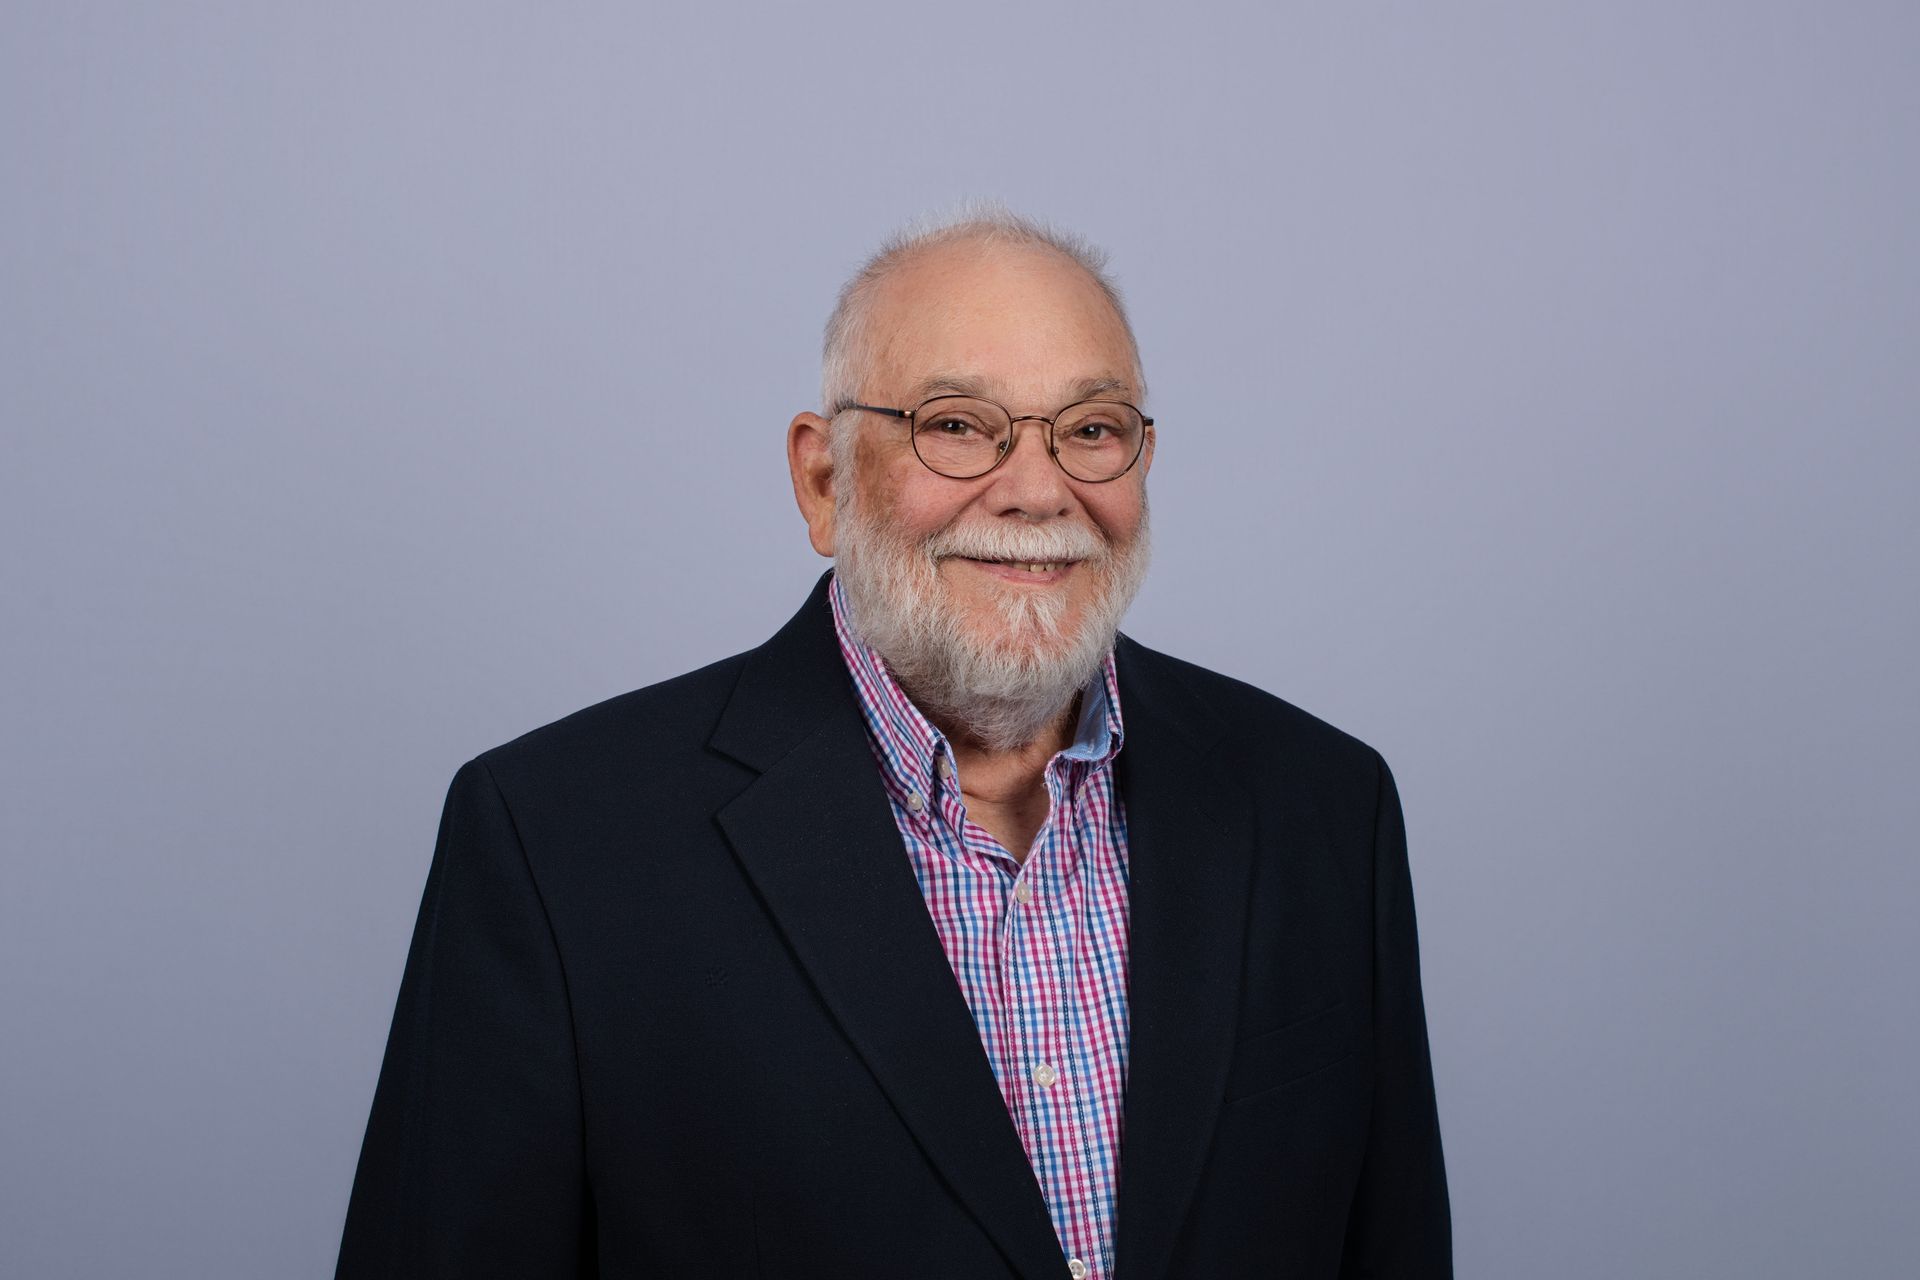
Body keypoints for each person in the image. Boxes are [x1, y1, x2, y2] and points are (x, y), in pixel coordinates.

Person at [336, 208, 1451, 1279]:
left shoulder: (1322, 805)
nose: (1035, 488)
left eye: (1092, 429)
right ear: (823, 480)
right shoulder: (557, 846)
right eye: (957, 424)